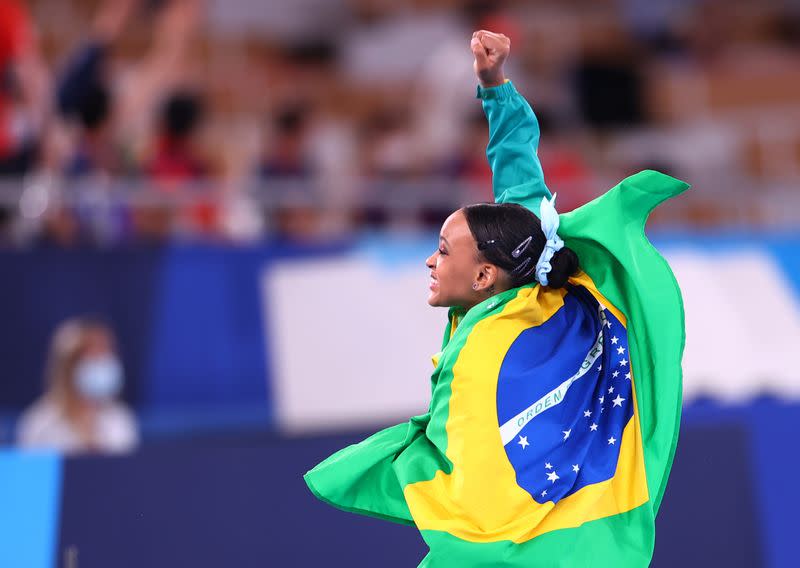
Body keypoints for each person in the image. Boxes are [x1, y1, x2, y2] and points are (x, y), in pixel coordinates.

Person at [305, 31, 689, 567]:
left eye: (442, 250)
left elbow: (462, 460)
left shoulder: (499, 341)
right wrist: (495, 87)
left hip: (517, 547)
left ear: (485, 275)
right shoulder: (533, 264)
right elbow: (519, 177)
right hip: (564, 543)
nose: (430, 261)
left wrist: (387, 464)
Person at [17, 318, 139, 454]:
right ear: (70, 365)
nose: (103, 362)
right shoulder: (40, 423)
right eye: (94, 356)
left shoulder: (121, 419)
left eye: (107, 353)